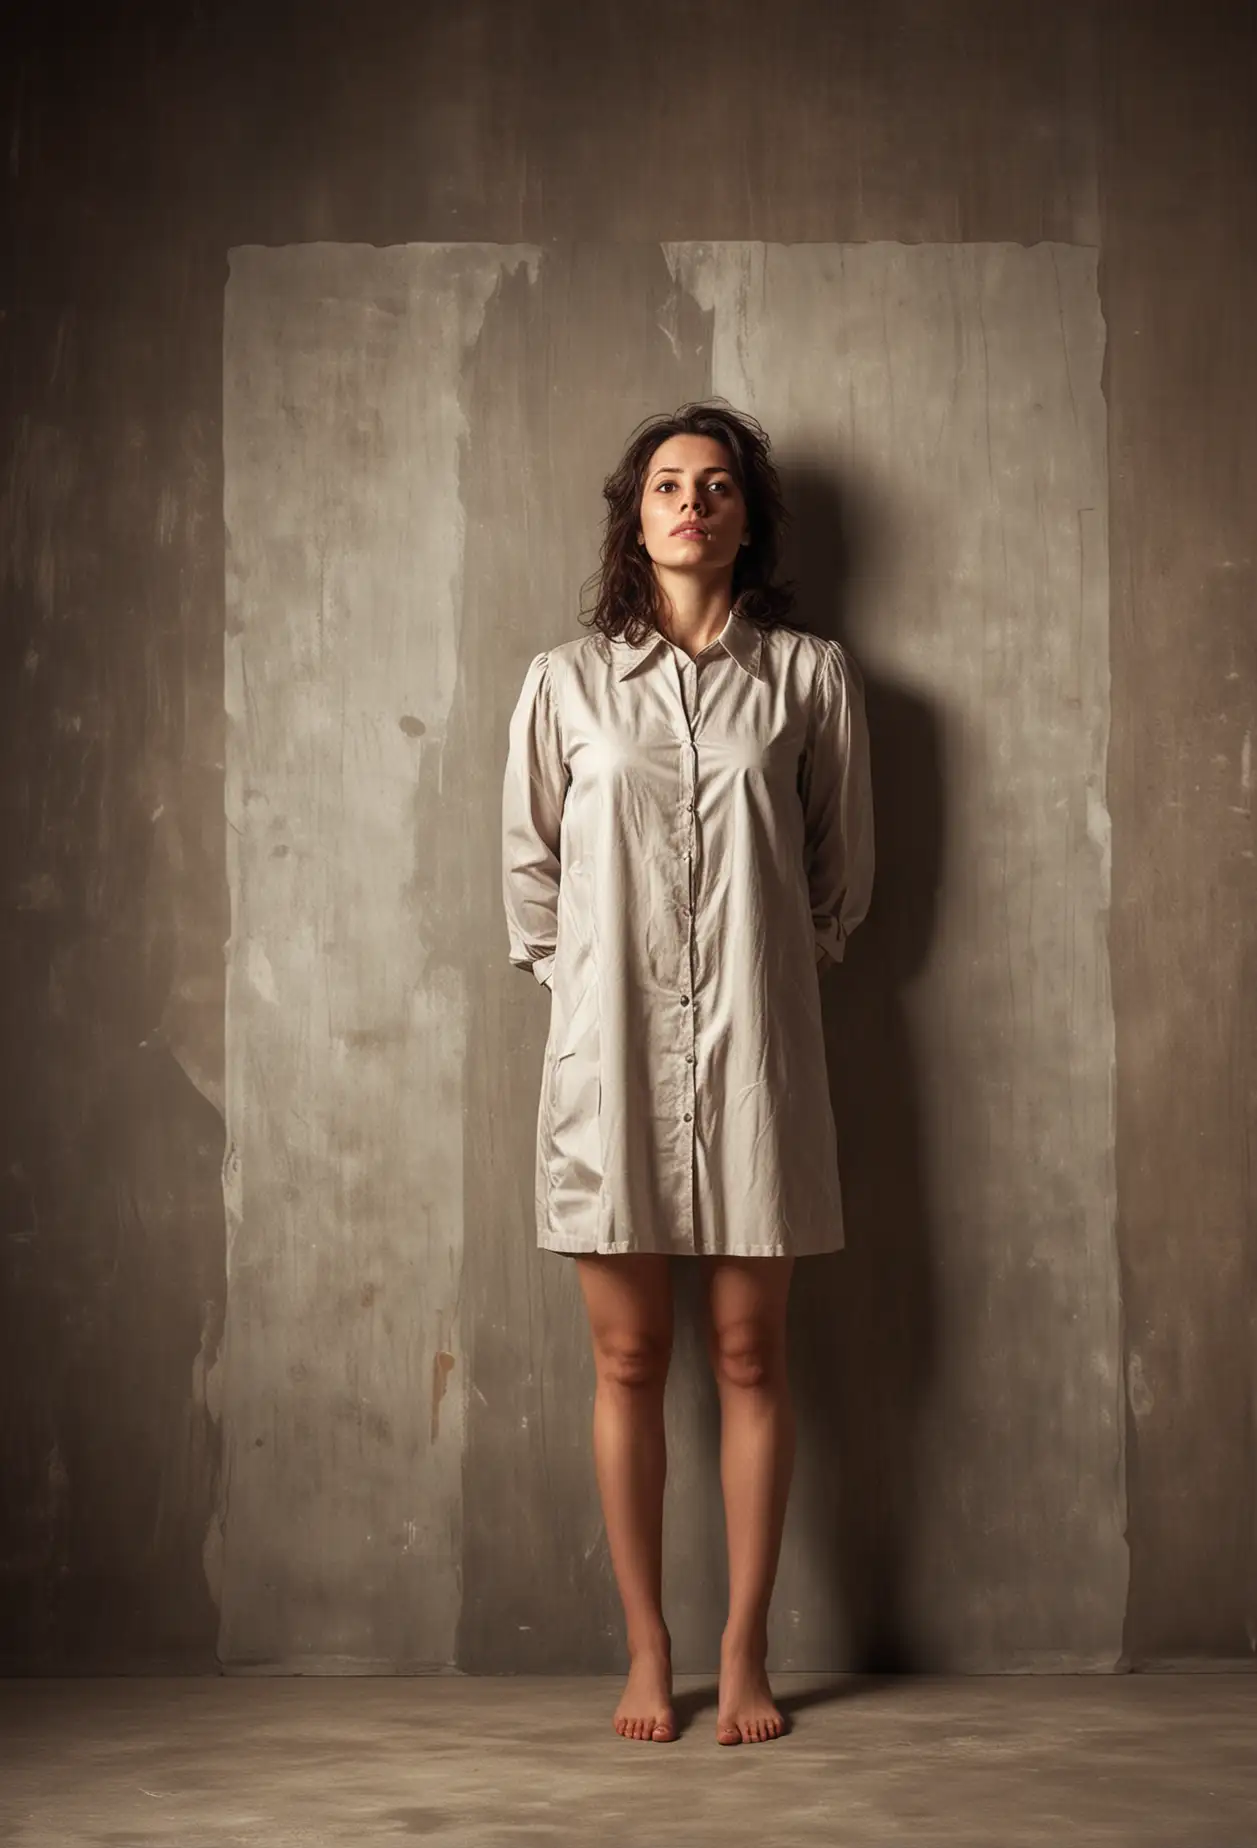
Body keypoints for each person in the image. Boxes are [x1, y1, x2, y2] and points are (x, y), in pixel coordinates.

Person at [501, 401, 873, 1746]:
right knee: (627, 1354)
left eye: (718, 486)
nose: (694, 504)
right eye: (670, 484)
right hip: (612, 1069)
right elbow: (529, 889)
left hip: (761, 1063)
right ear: (635, 510)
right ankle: (650, 1651)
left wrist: (757, 983)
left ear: (748, 518)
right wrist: (605, 1004)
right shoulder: (564, 685)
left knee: (749, 1349)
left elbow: (842, 886)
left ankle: (747, 1650)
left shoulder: (810, 680)